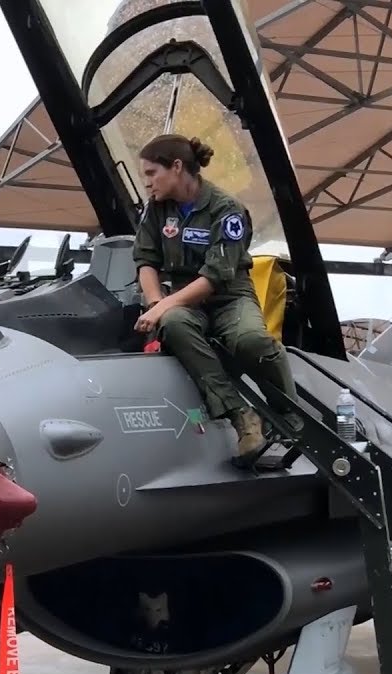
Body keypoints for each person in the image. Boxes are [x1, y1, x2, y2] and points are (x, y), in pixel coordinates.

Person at [130, 133, 300, 461]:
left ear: (176, 167)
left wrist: (162, 306)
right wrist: (155, 304)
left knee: (251, 341)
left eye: (152, 173)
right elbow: (145, 261)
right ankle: (242, 417)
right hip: (183, 299)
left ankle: (288, 412)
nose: (147, 182)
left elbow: (214, 277)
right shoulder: (157, 209)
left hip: (229, 296)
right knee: (174, 323)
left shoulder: (227, 210)